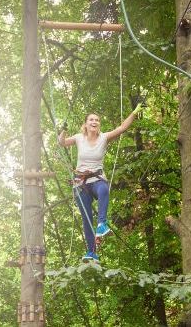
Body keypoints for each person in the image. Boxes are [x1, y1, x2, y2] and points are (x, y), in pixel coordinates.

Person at [58, 103, 143, 262]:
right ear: (86, 124)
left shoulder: (104, 138)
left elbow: (122, 128)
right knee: (86, 218)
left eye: (97, 120)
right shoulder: (78, 138)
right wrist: (63, 130)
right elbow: (61, 142)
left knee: (104, 189)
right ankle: (91, 252)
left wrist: (134, 112)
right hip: (81, 183)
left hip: (96, 179)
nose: (94, 122)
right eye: (91, 119)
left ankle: (102, 224)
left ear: (99, 124)